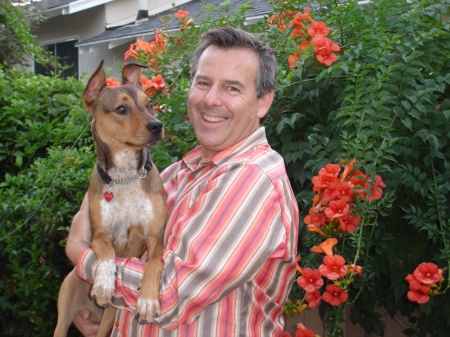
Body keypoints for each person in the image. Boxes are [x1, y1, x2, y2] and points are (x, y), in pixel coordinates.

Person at [66, 26, 299, 337]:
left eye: (232, 88)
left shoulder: (251, 180)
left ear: (262, 102)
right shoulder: (177, 173)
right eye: (203, 83)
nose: (211, 100)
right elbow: (134, 261)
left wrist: (82, 255)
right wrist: (102, 309)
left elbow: (166, 297)